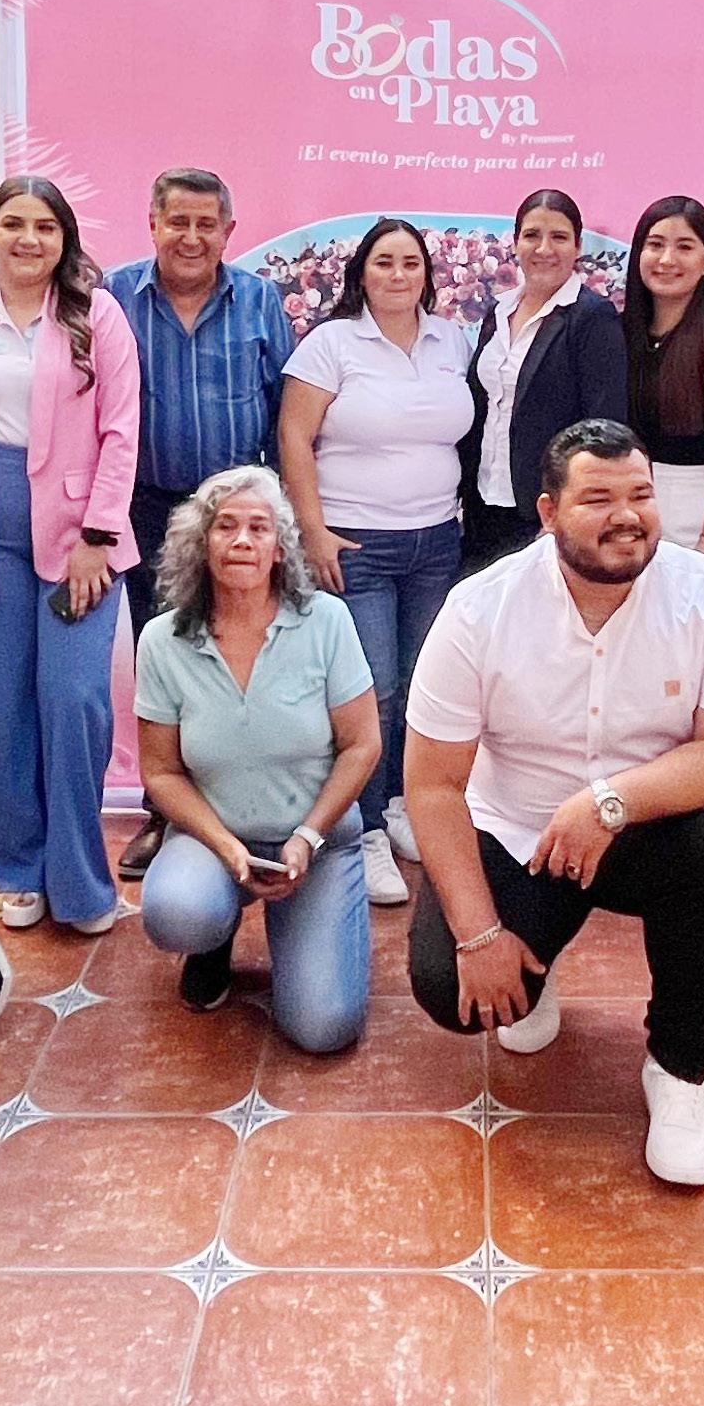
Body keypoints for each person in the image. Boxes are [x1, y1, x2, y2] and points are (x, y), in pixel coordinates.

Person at [405, 421, 704, 1186]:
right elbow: (433, 784)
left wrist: (610, 801)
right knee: (450, 989)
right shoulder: (479, 609)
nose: (626, 515)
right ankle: (534, 968)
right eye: (598, 498)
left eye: (641, 494)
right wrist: (480, 937)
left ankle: (679, 1069)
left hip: (651, 829)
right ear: (548, 512)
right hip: (518, 830)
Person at [0, 178, 142, 935]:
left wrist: (98, 536)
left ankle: (81, 881)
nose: (28, 239)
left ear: (64, 238)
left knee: (74, 702)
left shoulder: (97, 315)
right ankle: (16, 869)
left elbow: (121, 430)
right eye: (13, 224)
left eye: (45, 226)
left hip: (81, 538)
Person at [134, 467, 383, 1047]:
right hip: (213, 838)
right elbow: (161, 773)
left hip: (316, 841)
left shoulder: (328, 621)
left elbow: (363, 744)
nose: (242, 541)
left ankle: (317, 920)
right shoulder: (163, 640)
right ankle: (213, 937)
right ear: (202, 544)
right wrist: (227, 849)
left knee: (324, 1030)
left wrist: (307, 839)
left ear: (280, 548)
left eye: (258, 528)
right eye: (225, 527)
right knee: (179, 914)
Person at [106, 168, 300, 877]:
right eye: (177, 222)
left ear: (228, 231)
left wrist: (279, 511)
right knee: (167, 656)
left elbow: (284, 409)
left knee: (239, 653)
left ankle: (247, 806)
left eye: (206, 224)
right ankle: (166, 814)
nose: (191, 237)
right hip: (148, 505)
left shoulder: (260, 299)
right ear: (153, 223)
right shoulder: (113, 297)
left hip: (238, 509)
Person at [278, 217, 475, 908]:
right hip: (354, 543)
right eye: (384, 261)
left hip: (436, 541)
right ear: (361, 272)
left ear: (428, 274)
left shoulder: (451, 339)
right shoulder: (330, 343)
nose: (398, 274)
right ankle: (361, 831)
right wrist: (313, 532)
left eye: (411, 263)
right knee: (374, 689)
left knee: (423, 684)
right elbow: (294, 437)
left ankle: (399, 807)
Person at [461, 189, 630, 575]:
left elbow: (603, 429)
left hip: (545, 515)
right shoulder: (498, 312)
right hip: (482, 506)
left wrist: (565, 513)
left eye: (559, 237)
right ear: (516, 241)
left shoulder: (592, 317)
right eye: (532, 235)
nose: (544, 249)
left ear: (577, 247)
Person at [618, 195, 704, 564]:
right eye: (655, 245)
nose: (667, 259)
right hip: (629, 503)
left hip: (699, 506)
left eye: (684, 247)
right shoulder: (621, 330)